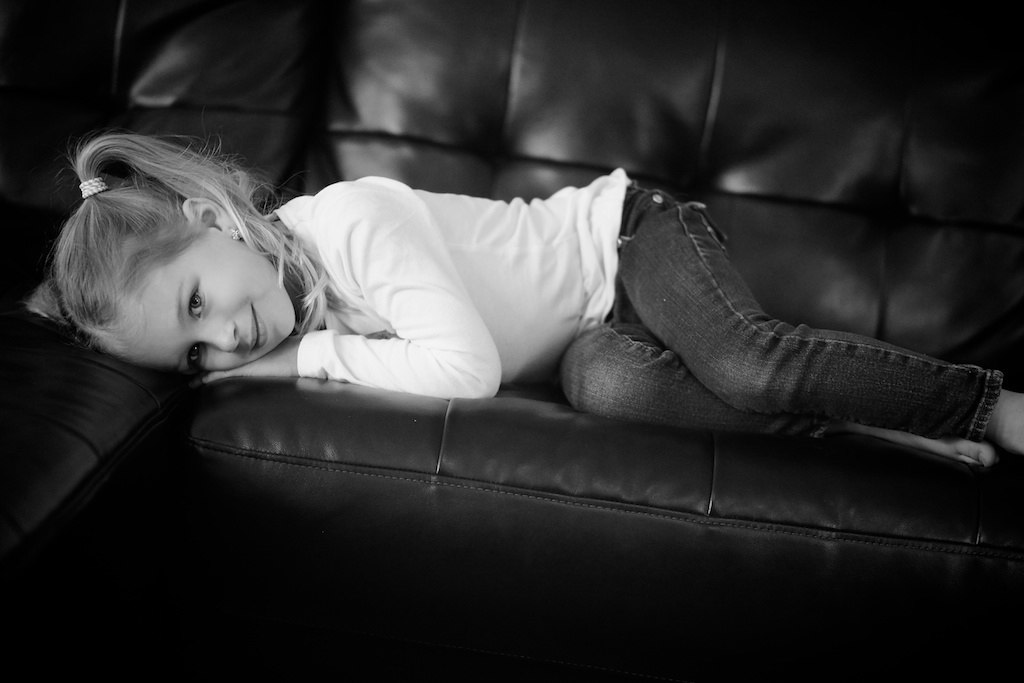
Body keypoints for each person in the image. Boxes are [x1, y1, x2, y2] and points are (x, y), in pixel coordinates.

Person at [26, 131, 1024, 467]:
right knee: (616, 393)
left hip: (627, 239)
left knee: (742, 358)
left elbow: (464, 368)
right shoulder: (307, 308)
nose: (228, 340)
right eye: (193, 356)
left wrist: (309, 359)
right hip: (587, 338)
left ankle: (991, 404)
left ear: (216, 217)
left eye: (198, 301)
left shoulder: (352, 221)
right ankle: (896, 436)